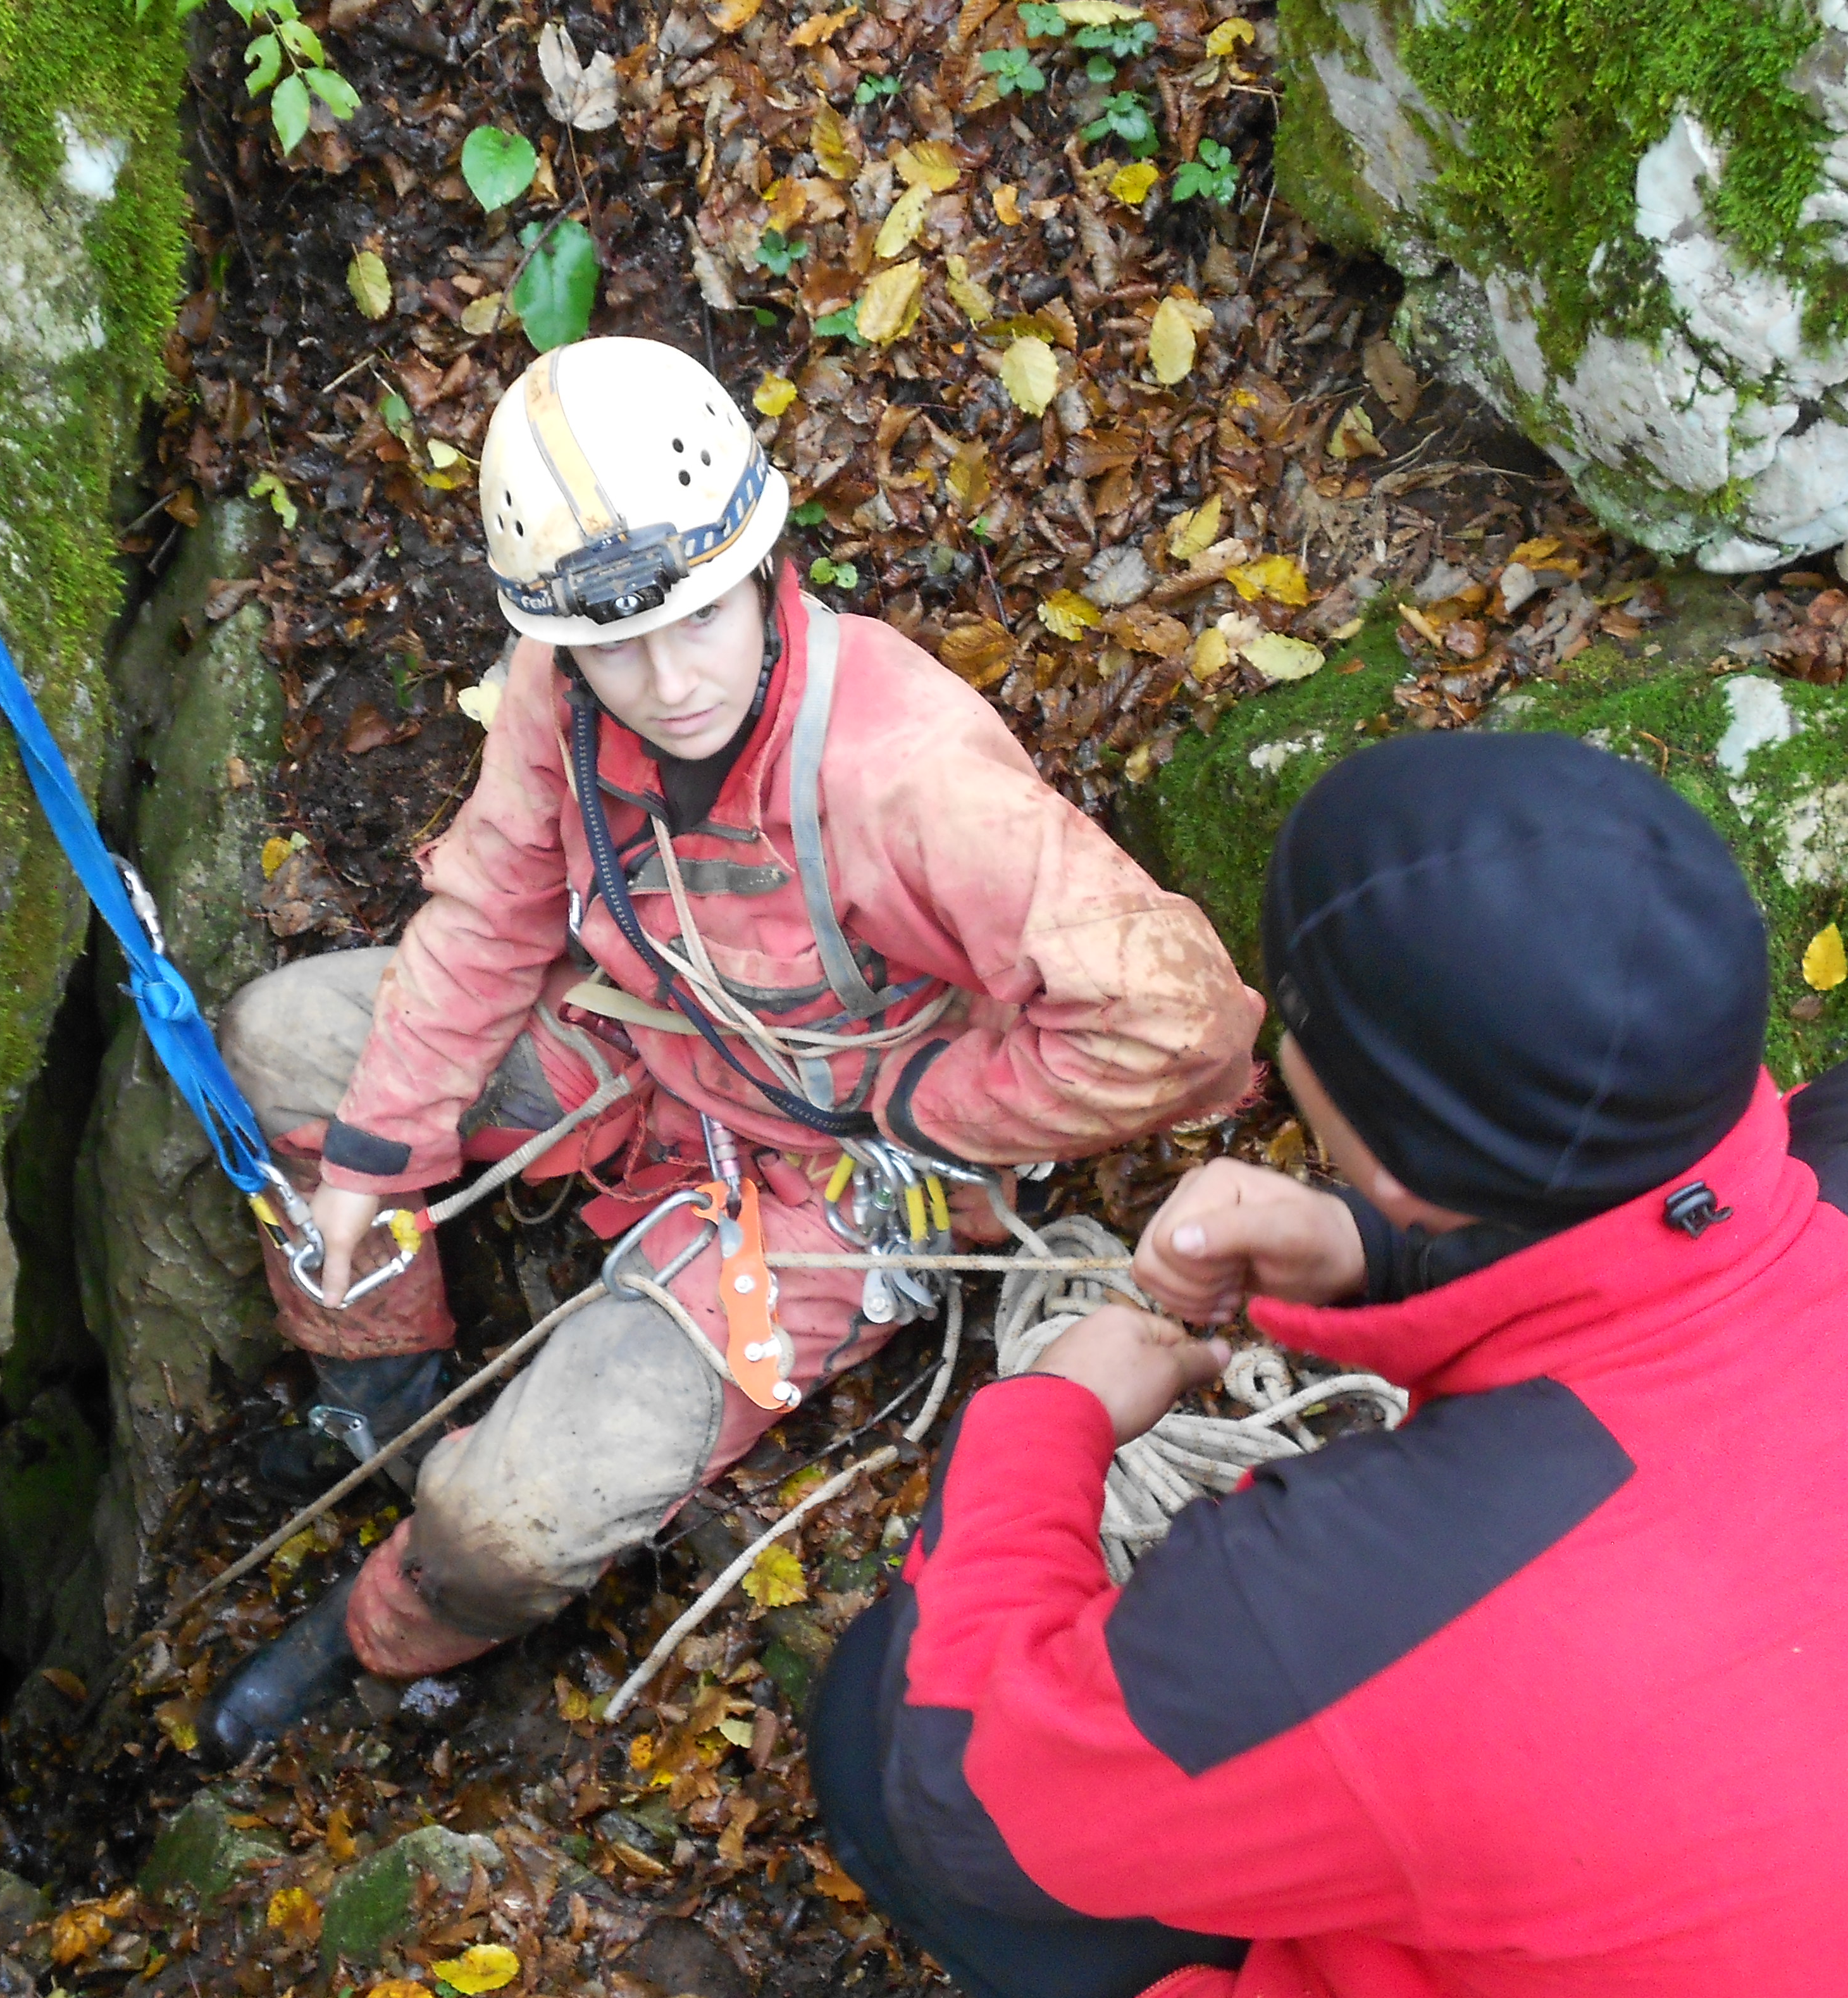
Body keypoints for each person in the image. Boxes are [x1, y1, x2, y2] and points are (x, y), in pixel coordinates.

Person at [812, 729, 1848, 1998]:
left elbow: (971, 1788)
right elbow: (1713, 1218)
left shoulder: (1351, 1602)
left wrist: (1052, 1414)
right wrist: (1381, 1253)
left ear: (1368, 1136)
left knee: (887, 1714)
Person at [201, 335, 1261, 1757]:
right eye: (613, 646)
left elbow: (1186, 1027)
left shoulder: (900, 774)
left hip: (841, 1169)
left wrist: (925, 1099)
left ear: (765, 566)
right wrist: (374, 1166)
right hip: (655, 1046)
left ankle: (386, 1626)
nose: (666, 679)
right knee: (281, 1045)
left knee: (503, 1521)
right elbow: (494, 908)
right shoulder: (565, 691)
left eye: (699, 620)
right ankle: (377, 1410)